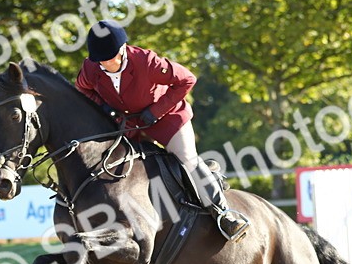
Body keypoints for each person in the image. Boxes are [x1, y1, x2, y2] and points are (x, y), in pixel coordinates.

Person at [75, 20, 249, 241]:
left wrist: (156, 110)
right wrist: (105, 107)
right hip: (128, 123)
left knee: (187, 159)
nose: (104, 65)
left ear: (122, 50)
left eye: (108, 60)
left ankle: (223, 214)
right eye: (100, 61)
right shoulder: (92, 68)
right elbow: (82, 88)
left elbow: (187, 79)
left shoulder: (146, 62)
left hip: (166, 117)